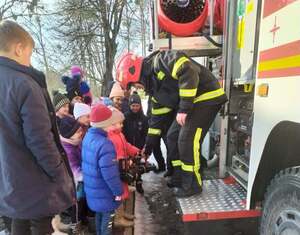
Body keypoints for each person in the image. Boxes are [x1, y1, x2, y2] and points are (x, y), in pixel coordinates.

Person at [116, 51, 227, 198]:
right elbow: (155, 125)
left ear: (136, 73)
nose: (137, 88)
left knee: (187, 140)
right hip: (193, 103)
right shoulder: (155, 92)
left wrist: (184, 108)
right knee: (172, 136)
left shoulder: (161, 61)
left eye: (134, 85)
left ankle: (192, 185)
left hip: (207, 96)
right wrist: (147, 149)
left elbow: (188, 70)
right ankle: (178, 176)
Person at [0, 20, 75, 234]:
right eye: (29, 54)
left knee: (18, 222)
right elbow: (39, 139)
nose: (29, 61)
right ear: (18, 48)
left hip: (9, 181)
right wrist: (60, 175)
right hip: (34, 182)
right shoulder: (24, 84)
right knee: (39, 225)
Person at [82, 104, 123, 235]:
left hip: (93, 190)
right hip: (105, 192)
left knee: (99, 216)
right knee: (107, 223)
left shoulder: (88, 136)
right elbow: (110, 174)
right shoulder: (105, 144)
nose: (114, 125)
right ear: (105, 124)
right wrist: (118, 191)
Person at [107, 107, 139, 228]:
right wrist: (126, 162)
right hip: (117, 171)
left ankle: (123, 213)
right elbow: (116, 156)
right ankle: (118, 219)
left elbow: (126, 146)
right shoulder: (110, 137)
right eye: (118, 123)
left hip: (122, 168)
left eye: (122, 123)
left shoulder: (119, 134)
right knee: (118, 194)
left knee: (123, 192)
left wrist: (136, 151)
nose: (121, 125)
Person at [59, 116, 87, 234]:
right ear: (68, 134)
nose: (81, 133)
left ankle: (81, 221)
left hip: (79, 182)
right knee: (75, 207)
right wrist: (90, 175)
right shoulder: (68, 149)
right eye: (78, 132)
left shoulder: (76, 142)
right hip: (73, 185)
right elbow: (76, 172)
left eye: (80, 130)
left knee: (81, 204)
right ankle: (75, 227)